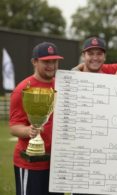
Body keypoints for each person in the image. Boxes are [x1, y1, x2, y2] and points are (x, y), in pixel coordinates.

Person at [9, 42, 64, 195]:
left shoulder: (62, 86)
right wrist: (29, 130)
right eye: (46, 61)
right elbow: (14, 127)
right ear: (34, 62)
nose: (51, 65)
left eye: (55, 61)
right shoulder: (23, 89)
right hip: (31, 163)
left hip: (56, 164)